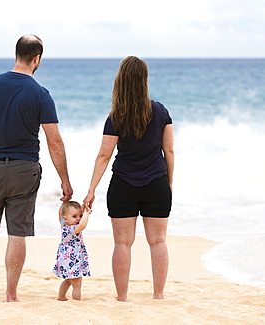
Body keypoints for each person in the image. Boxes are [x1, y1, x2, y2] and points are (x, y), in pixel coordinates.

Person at [0, 35, 73, 302]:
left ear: (17, 54)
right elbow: (54, 141)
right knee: (17, 233)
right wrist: (65, 180)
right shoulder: (40, 94)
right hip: (25, 170)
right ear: (37, 59)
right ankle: (11, 294)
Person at [83, 56, 174, 301]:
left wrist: (91, 189)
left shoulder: (116, 116)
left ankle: (122, 297)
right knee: (158, 241)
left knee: (122, 243)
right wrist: (169, 182)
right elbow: (170, 151)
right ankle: (158, 295)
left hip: (123, 185)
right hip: (156, 183)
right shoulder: (160, 111)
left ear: (120, 80)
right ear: (144, 80)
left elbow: (104, 155)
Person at [53, 201, 91, 301]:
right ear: (66, 218)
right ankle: (76, 302)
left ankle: (61, 296)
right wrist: (86, 214)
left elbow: (60, 214)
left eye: (80, 215)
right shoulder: (72, 229)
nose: (78, 218)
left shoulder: (64, 225)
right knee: (77, 285)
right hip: (73, 260)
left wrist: (64, 202)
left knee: (69, 280)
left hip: (66, 259)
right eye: (74, 216)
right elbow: (82, 225)